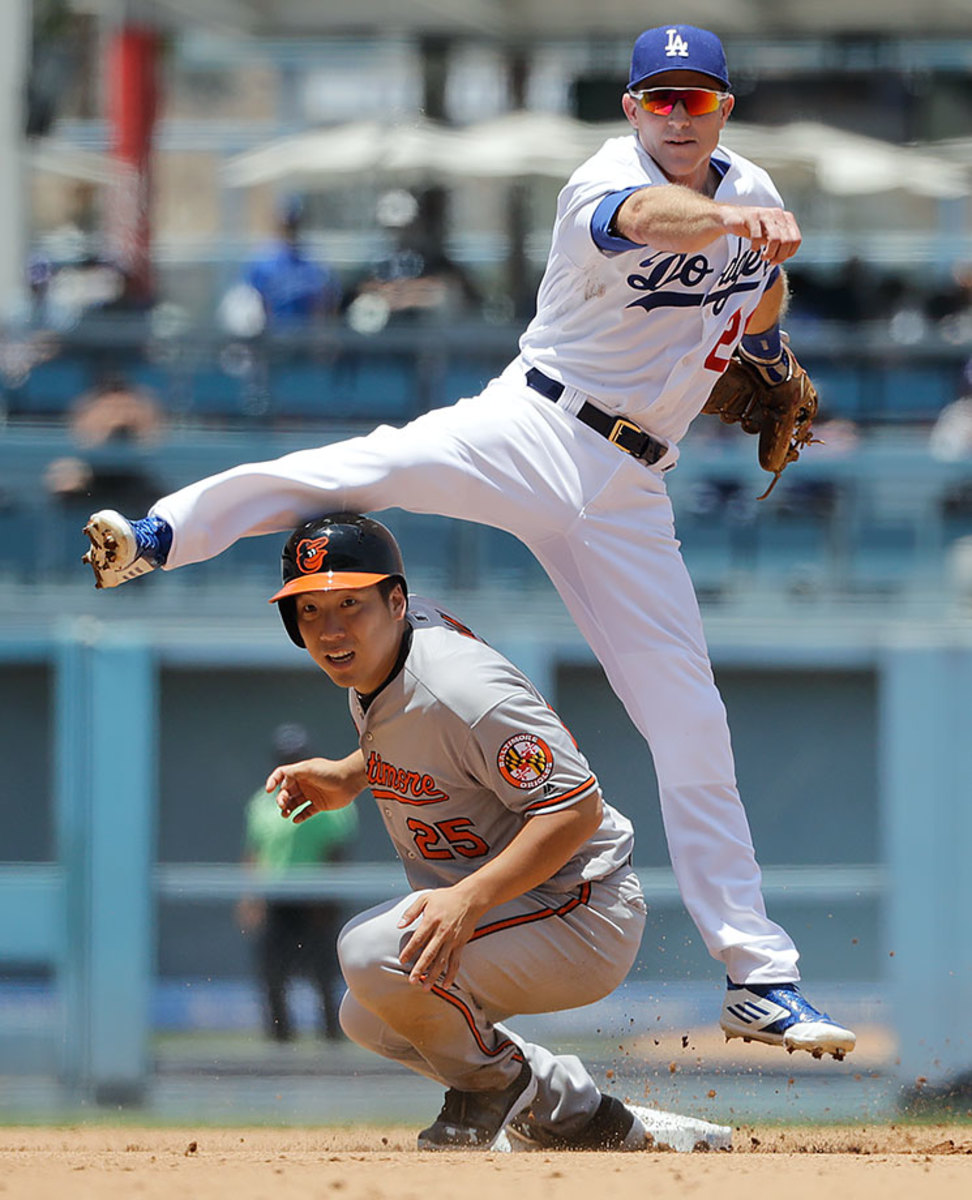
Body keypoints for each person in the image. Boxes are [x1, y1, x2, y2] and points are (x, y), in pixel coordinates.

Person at [82, 24, 855, 1058]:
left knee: (691, 723)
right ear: (630, 107)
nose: (677, 114)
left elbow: (760, 287)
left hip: (631, 487)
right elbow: (656, 219)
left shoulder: (743, 185)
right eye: (658, 97)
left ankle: (759, 978)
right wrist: (732, 220)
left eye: (697, 98)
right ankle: (156, 532)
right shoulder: (608, 185)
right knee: (362, 467)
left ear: (724, 106)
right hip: (536, 426)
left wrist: (764, 340)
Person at [259, 511, 731, 1152]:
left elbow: (575, 811)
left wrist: (467, 898)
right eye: (309, 610)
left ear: (396, 602)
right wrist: (349, 774)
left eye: (350, 603)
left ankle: (491, 1088)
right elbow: (417, 734)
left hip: (579, 908)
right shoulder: (380, 658)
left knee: (373, 956)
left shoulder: (463, 688)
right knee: (368, 1016)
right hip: (523, 903)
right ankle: (581, 1114)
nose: (331, 628)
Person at [238, 721, 358, 1043]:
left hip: (315, 899)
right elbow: (254, 852)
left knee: (323, 972)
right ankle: (280, 1039)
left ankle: (332, 1036)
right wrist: (250, 898)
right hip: (276, 897)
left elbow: (337, 852)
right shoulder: (260, 804)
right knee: (273, 972)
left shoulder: (328, 799)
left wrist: (330, 896)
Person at [241, 196, 342, 331]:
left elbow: (326, 303)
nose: (290, 229)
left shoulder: (313, 262)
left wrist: (322, 335)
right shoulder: (263, 262)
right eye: (286, 224)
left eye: (294, 223)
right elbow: (254, 303)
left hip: (306, 337)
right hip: (273, 337)